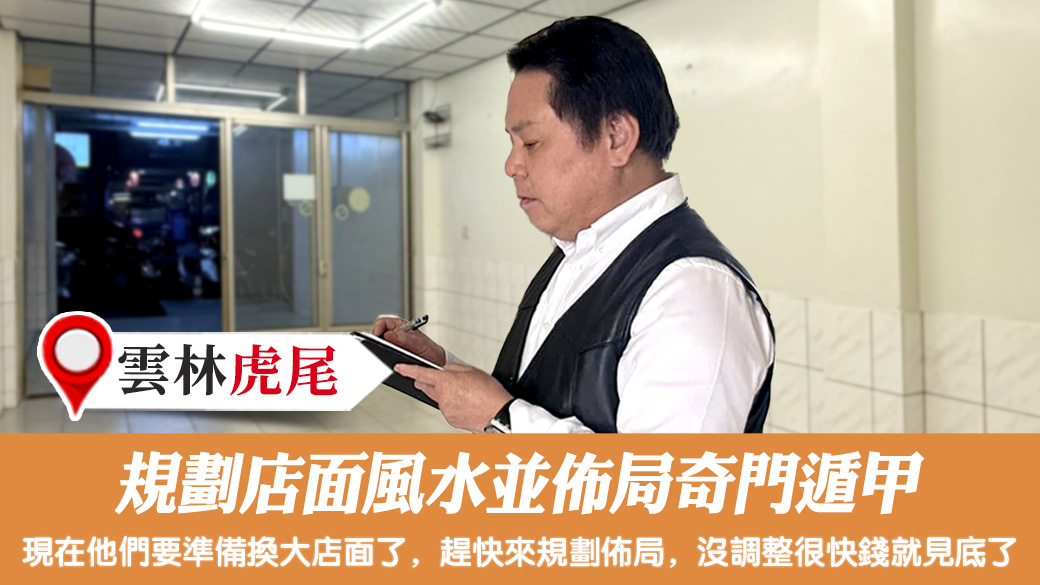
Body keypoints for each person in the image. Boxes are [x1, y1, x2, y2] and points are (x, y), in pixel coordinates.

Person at [373, 16, 774, 434]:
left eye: (531, 143)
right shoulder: (577, 251)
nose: (511, 165)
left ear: (616, 137)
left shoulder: (692, 291)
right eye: (512, 144)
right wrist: (442, 369)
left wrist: (499, 418)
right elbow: (541, 399)